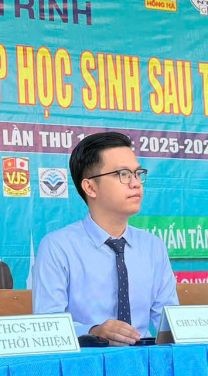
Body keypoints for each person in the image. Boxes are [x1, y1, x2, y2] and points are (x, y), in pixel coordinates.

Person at [31, 131, 178, 342]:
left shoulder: (153, 246)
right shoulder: (57, 247)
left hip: (144, 356)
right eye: (123, 174)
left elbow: (169, 323)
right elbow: (48, 324)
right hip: (85, 358)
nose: (136, 183)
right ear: (90, 187)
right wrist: (93, 332)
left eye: (138, 173)